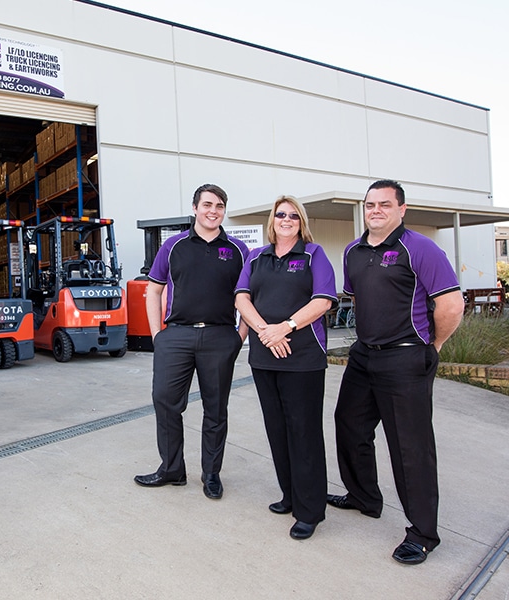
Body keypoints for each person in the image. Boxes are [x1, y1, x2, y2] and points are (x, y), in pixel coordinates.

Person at [328, 179, 464, 565]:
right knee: (349, 424)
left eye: (384, 205)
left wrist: (430, 346)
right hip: (363, 356)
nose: (375, 210)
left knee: (410, 448)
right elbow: (357, 299)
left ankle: (422, 534)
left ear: (401, 209)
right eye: (370, 204)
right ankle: (364, 497)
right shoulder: (353, 252)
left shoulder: (421, 249)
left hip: (405, 359)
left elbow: (451, 305)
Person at [134, 183, 249, 500]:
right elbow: (153, 290)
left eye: (220, 206)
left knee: (215, 409)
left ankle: (211, 474)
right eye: (208, 204)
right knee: (165, 401)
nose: (213, 211)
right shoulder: (173, 246)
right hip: (177, 335)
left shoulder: (239, 250)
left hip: (220, 336)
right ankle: (172, 470)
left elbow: (250, 296)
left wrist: (239, 336)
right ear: (195, 208)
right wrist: (158, 334)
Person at [234, 196, 337, 540]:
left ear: (301, 221)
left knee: (303, 432)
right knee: (277, 429)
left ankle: (310, 510)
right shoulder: (256, 257)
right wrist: (266, 330)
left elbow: (323, 300)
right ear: (272, 220)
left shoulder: (314, 254)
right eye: (281, 214)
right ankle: (290, 495)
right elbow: (241, 298)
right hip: (265, 356)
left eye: (294, 215)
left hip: (303, 358)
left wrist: (286, 327)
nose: (287, 219)